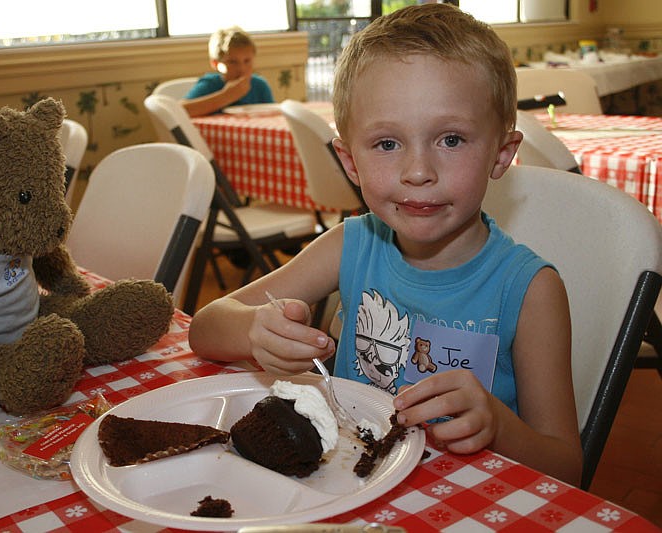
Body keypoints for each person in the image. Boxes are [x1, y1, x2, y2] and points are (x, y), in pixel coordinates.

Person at [189, 4, 583, 485]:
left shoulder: (530, 290)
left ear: (501, 153)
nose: (418, 171)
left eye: (452, 139)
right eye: (387, 144)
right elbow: (204, 327)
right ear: (350, 162)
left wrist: (499, 426)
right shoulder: (350, 245)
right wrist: (254, 330)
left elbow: (566, 468)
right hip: (346, 486)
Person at [182, 26, 274, 117]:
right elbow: (180, 110)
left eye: (247, 61)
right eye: (232, 62)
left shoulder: (260, 86)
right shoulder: (210, 85)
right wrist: (226, 96)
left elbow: (274, 116)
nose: (241, 68)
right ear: (216, 64)